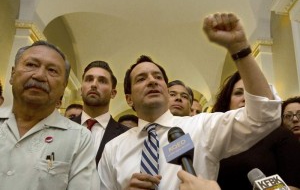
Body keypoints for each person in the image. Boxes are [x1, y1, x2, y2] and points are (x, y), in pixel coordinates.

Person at [98, 12, 282, 190]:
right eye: (141, 79)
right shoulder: (113, 149)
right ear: (129, 99)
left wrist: (240, 48)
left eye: (158, 77)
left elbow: (264, 116)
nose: (152, 80)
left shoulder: (202, 127)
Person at [0, 41, 99, 190]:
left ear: (63, 86)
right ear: (13, 74)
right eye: (31, 65)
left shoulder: (79, 138)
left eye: (52, 70)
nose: (39, 75)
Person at [213, 72, 300, 190]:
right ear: (227, 102)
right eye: (238, 93)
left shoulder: (281, 136)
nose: (245, 98)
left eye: (252, 94)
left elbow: (293, 185)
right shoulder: (215, 140)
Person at [71, 60, 128, 165]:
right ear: (81, 90)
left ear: (113, 93)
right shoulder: (63, 129)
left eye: (102, 81)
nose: (94, 84)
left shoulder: (126, 136)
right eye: (89, 79)